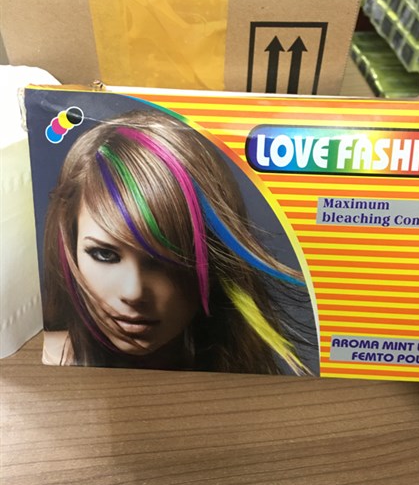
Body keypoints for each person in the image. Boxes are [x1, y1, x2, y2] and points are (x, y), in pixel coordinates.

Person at [42, 108, 318, 375]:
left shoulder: (245, 377)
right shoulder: (49, 367)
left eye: (165, 262)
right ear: (71, 242)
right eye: (104, 255)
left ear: (215, 264)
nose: (133, 292)